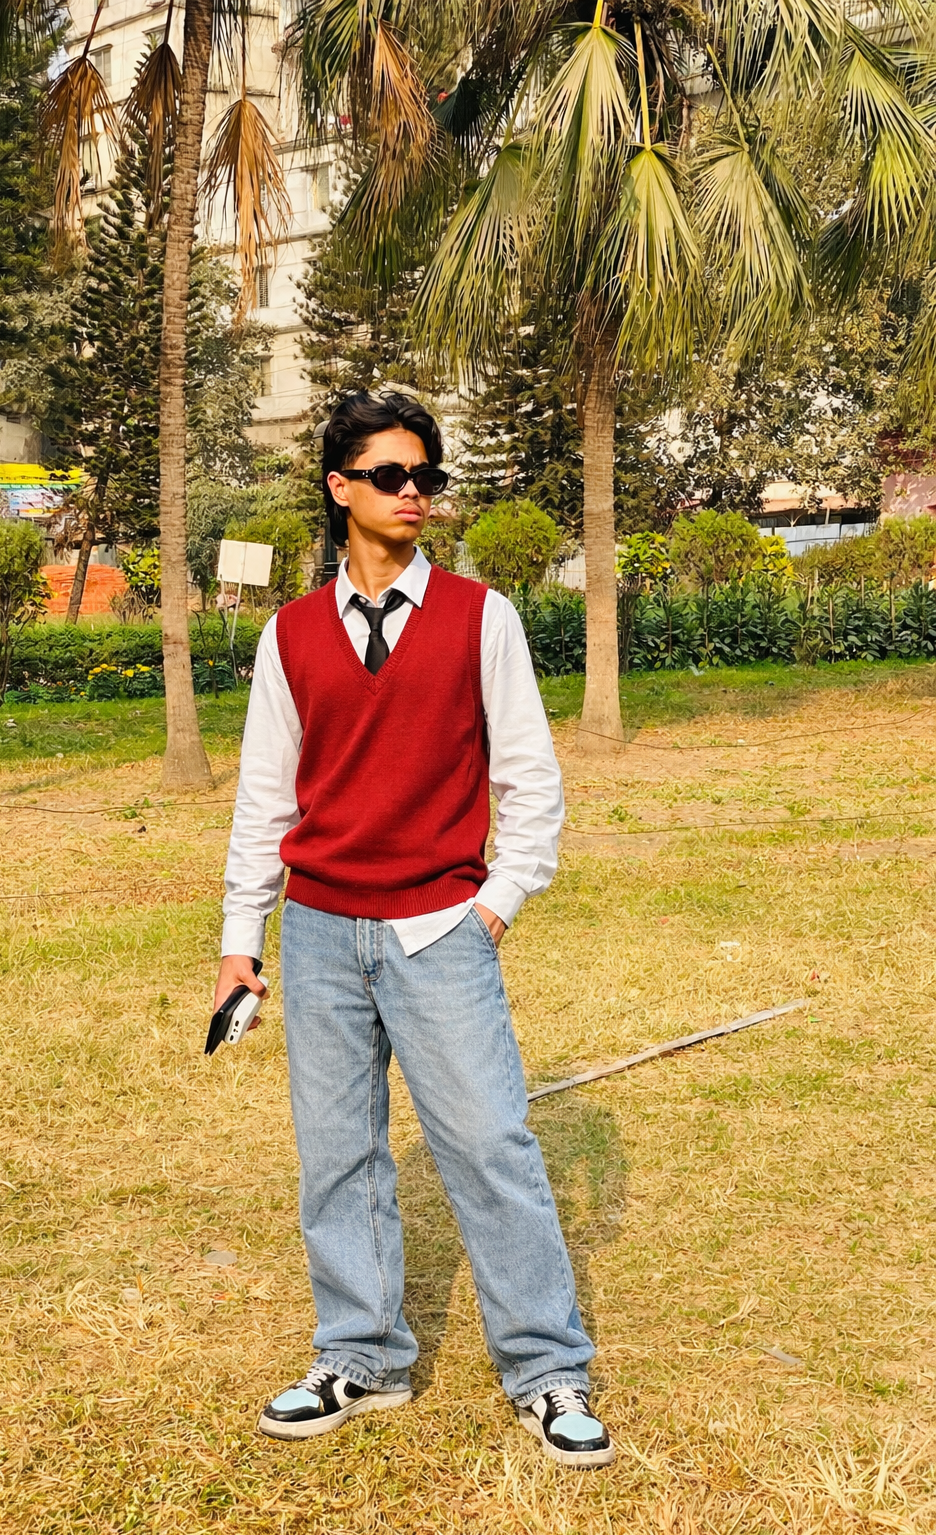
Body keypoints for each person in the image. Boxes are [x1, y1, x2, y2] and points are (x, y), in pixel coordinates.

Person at [215, 389, 613, 1469]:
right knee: (337, 1157)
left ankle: (547, 1368)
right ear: (340, 487)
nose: (413, 494)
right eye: (390, 476)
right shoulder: (290, 634)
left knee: (489, 1146)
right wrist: (241, 940)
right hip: (320, 932)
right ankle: (360, 1357)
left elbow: (530, 780)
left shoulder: (483, 617)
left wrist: (495, 906)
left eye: (425, 477)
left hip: (442, 930)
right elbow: (265, 799)